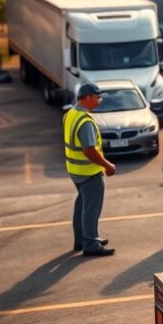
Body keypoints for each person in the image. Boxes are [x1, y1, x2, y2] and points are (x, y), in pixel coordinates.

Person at [63, 83, 116, 257]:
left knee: (82, 205)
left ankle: (81, 239)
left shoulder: (70, 114)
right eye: (97, 96)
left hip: (74, 170)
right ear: (87, 98)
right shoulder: (85, 121)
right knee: (91, 208)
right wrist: (107, 165)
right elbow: (89, 150)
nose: (100, 99)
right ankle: (91, 243)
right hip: (88, 172)